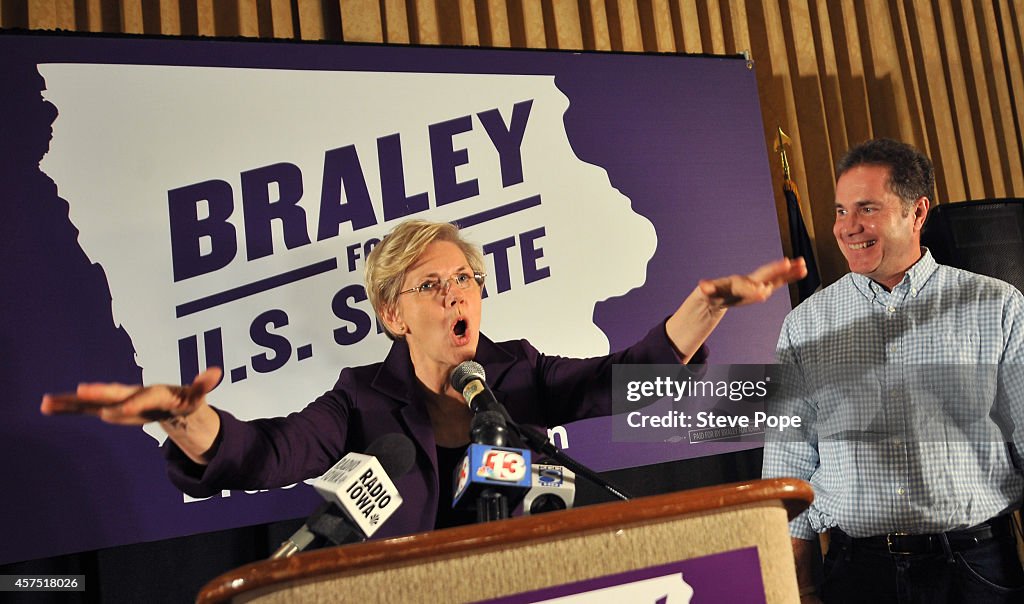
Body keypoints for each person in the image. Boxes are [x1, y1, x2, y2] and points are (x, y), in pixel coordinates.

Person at [42, 218, 805, 536]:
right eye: (431, 286)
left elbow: (623, 379)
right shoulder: (361, 402)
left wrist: (704, 309)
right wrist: (181, 415)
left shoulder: (517, 373)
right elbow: (264, 452)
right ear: (392, 316)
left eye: (465, 279)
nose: (456, 295)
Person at [762, 138, 1024, 603]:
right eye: (841, 211)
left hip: (977, 568)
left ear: (917, 213)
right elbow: (788, 470)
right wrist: (800, 589)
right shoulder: (803, 325)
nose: (848, 227)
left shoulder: (997, 305)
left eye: (867, 208)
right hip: (858, 574)